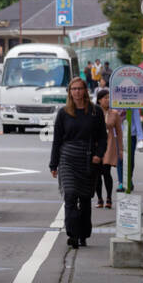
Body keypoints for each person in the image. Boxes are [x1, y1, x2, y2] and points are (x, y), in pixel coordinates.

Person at [48, 77, 106, 248]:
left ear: (85, 91)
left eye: (80, 88)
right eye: (73, 89)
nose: (77, 92)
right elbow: (57, 140)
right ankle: (72, 233)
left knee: (85, 198)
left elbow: (103, 137)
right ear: (69, 92)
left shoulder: (95, 112)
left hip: (88, 158)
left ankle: (83, 234)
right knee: (71, 195)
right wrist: (53, 164)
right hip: (68, 158)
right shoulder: (64, 113)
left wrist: (99, 154)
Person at [95, 87, 121, 209]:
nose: (108, 100)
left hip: (109, 144)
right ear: (99, 100)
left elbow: (119, 133)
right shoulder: (93, 111)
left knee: (106, 171)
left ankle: (109, 198)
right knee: (97, 173)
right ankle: (99, 198)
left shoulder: (114, 113)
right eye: (105, 98)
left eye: (109, 97)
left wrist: (121, 149)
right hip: (96, 145)